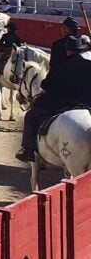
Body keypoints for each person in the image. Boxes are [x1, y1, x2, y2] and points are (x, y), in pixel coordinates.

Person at [18, 34, 91, 163]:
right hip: (88, 102)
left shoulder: (66, 65)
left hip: (66, 101)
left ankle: (28, 150)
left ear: (68, 51)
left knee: (31, 116)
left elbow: (49, 85)